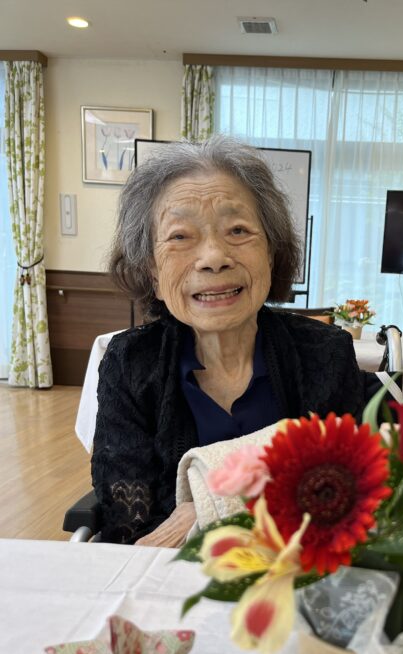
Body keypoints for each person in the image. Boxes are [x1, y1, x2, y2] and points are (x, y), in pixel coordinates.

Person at [92, 136, 382, 547]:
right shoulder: (130, 363)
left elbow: (343, 495)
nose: (214, 257)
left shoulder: (324, 353)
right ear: (152, 272)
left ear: (271, 254)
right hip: (172, 577)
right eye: (180, 236)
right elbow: (131, 527)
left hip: (296, 570)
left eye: (238, 230)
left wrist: (208, 506)